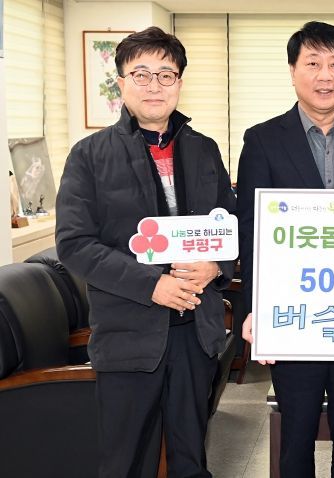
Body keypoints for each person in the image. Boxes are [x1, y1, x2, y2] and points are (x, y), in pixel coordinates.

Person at [56, 27, 236, 478]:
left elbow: (230, 228)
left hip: (196, 332)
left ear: (179, 83)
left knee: (191, 459)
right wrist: (152, 285)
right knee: (126, 462)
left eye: (166, 75)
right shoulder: (90, 155)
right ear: (121, 82)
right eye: (141, 74)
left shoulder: (204, 150)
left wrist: (216, 266)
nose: (154, 85)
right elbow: (75, 244)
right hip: (128, 335)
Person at [237, 21, 334, 478]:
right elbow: (251, 229)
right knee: (296, 436)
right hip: (293, 313)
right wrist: (255, 310)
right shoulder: (262, 138)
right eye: (313, 64)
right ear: (292, 71)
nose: (325, 76)